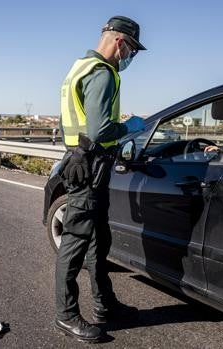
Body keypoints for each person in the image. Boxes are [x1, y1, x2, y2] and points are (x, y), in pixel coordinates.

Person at [55, 15, 147, 342]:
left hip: (79, 159)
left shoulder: (79, 66)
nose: (130, 57)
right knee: (76, 242)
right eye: (132, 48)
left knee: (97, 239)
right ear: (120, 41)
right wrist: (131, 126)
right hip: (90, 165)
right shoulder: (102, 73)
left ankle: (105, 304)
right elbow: (99, 130)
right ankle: (66, 315)